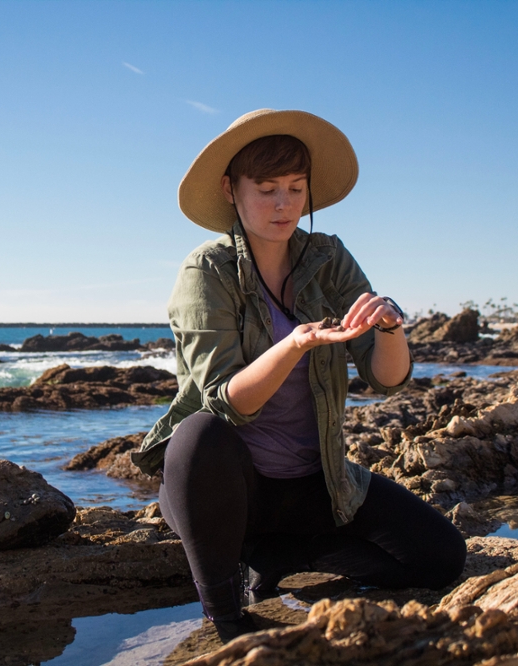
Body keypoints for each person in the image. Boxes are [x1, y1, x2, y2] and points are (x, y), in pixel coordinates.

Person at [131, 109, 466, 642]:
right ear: (230, 190)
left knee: (443, 558)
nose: (284, 203)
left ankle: (287, 554)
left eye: (295, 187)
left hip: (319, 483)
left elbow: (387, 381)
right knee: (198, 434)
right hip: (224, 489)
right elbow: (227, 401)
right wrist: (296, 343)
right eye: (266, 189)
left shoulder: (328, 259)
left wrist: (390, 326)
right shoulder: (207, 271)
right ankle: (225, 613)